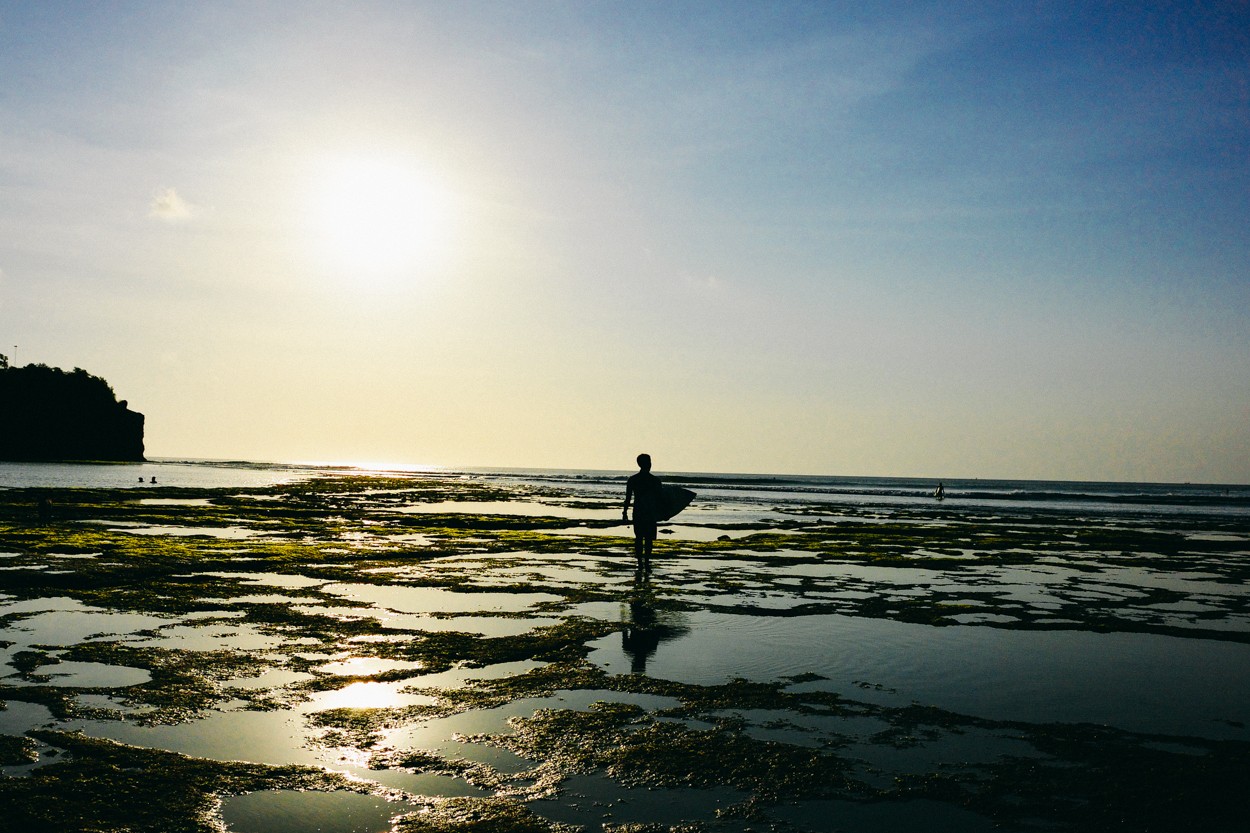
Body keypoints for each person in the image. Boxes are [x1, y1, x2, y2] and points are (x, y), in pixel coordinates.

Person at [623, 453, 662, 567]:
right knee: (647, 539)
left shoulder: (633, 479)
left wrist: (625, 512)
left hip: (639, 511)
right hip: (649, 512)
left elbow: (628, 498)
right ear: (644, 464)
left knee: (640, 538)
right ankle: (645, 562)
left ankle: (641, 563)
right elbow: (660, 499)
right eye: (649, 462)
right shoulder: (655, 480)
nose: (650, 464)